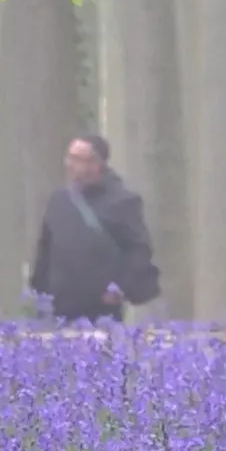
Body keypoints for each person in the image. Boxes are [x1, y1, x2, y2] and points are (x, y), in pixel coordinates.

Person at [29, 134, 161, 324]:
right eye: (69, 158)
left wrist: (119, 287)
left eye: (77, 159)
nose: (69, 164)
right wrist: (39, 292)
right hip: (58, 310)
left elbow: (138, 250)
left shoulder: (122, 202)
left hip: (101, 311)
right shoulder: (59, 200)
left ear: (96, 164)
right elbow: (45, 250)